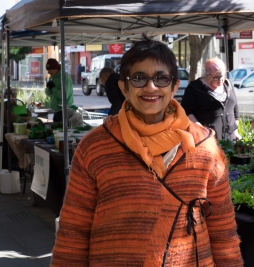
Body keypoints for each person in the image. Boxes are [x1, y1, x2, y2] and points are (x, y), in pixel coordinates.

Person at [51, 34, 243, 266]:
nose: (151, 87)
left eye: (161, 78)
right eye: (139, 78)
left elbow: (223, 232)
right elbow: (74, 231)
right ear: (124, 87)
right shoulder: (95, 147)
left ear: (174, 86)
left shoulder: (205, 147)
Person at [181, 57, 241, 141]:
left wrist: (235, 131)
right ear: (207, 75)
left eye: (222, 76)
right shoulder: (194, 88)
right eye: (216, 77)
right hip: (208, 139)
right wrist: (200, 128)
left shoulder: (228, 85)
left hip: (230, 139)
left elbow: (235, 109)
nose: (221, 80)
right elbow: (186, 111)